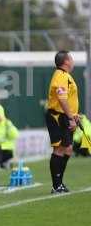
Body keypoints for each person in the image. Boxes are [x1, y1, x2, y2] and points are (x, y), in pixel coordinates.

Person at [45, 50, 79, 193]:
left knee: (68, 149)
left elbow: (68, 99)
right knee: (59, 149)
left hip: (66, 116)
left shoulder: (66, 76)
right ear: (66, 61)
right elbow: (62, 99)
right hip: (58, 117)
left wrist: (74, 115)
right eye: (71, 58)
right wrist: (70, 118)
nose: (72, 60)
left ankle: (59, 183)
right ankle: (56, 185)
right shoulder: (60, 75)